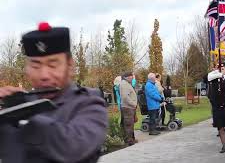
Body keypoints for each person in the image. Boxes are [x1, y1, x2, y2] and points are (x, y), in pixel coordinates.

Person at [0, 22, 108, 163]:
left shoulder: (89, 103)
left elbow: (74, 148)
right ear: (26, 68)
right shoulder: (17, 103)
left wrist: (22, 115)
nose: (44, 74)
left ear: (70, 66)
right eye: (35, 65)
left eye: (53, 65)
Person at [207, 62, 225, 153]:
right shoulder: (214, 79)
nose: (221, 70)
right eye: (219, 69)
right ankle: (224, 146)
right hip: (217, 108)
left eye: (223, 69)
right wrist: (217, 73)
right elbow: (207, 77)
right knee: (220, 127)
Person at [119, 72, 138, 146]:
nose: (132, 78)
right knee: (128, 124)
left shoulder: (126, 83)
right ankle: (129, 141)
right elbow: (125, 97)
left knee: (130, 124)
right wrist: (133, 104)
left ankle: (131, 139)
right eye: (131, 76)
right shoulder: (124, 84)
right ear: (127, 77)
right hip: (127, 107)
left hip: (130, 107)